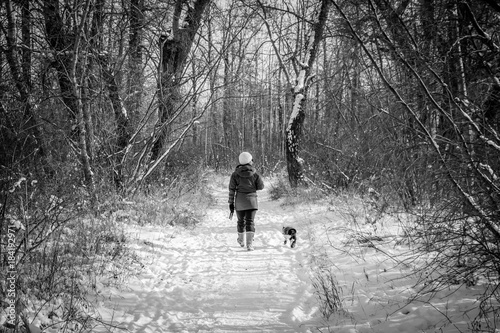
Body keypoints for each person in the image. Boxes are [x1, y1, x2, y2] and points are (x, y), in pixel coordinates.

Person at [228, 152, 264, 251]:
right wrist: (252, 186)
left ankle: (241, 240)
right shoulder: (255, 174)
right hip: (252, 201)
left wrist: (231, 203)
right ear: (249, 161)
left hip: (239, 202)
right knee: (250, 222)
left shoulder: (235, 174)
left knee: (241, 221)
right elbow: (261, 186)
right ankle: (249, 245)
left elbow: (232, 189)